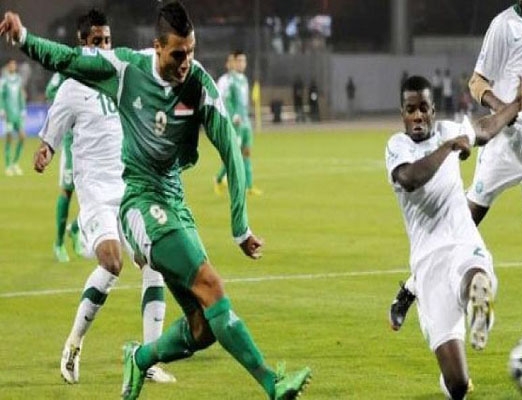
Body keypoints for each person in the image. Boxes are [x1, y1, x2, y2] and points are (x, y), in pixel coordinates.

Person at [0, 3, 312, 400]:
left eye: (191, 51)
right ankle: (272, 383)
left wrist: (240, 227)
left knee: (202, 329)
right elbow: (67, 58)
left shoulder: (197, 82)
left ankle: (141, 357)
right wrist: (24, 37)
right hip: (139, 202)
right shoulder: (127, 69)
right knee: (210, 284)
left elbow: (230, 148)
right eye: (178, 54)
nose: (186, 62)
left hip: (174, 201)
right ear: (158, 47)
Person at [390, 0, 522, 354]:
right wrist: (505, 109)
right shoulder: (503, 25)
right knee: (463, 221)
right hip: (503, 141)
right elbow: (476, 83)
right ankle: (411, 289)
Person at [33, 8, 175, 385]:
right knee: (112, 262)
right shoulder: (71, 88)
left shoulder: (123, 76)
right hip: (95, 191)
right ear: (82, 43)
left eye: (108, 40)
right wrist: (45, 151)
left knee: (155, 261)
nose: (105, 47)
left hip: (130, 186)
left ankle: (149, 358)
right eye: (97, 41)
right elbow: (50, 137)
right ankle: (74, 344)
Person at [386, 75, 522, 399]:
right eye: (411, 109)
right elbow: (410, 178)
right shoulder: (398, 147)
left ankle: (477, 305)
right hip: (427, 263)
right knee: (457, 385)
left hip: (462, 240)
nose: (418, 116)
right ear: (402, 114)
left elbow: (485, 128)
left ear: (433, 110)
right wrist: (449, 147)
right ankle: (469, 322)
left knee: (473, 274)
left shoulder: (449, 130)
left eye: (423, 108)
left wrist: (517, 104)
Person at [45, 72, 84, 262]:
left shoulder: (95, 69)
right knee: (67, 190)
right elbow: (50, 91)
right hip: (72, 141)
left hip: (93, 141)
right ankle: (59, 243)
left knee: (99, 192)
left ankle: (75, 228)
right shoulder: (65, 71)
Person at [215, 49, 263, 196]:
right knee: (234, 155)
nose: (243, 63)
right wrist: (233, 115)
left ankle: (249, 186)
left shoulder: (244, 80)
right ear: (234, 62)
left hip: (245, 122)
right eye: (240, 61)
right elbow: (227, 100)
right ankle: (218, 178)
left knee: (247, 153)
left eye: (244, 61)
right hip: (235, 123)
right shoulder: (230, 80)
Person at [213, 52, 234, 195]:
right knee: (230, 151)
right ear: (227, 64)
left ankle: (223, 177)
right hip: (227, 121)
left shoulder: (240, 81)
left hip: (237, 123)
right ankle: (219, 178)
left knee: (235, 151)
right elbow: (218, 100)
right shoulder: (223, 81)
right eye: (231, 62)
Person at [0, 58, 26, 176]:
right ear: (7, 66)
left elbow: (21, 95)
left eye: (14, 64)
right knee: (9, 137)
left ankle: (15, 163)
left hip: (18, 114)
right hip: (9, 114)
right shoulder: (4, 80)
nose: (13, 66)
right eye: (11, 64)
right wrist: (2, 109)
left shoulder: (18, 79)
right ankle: (8, 166)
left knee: (22, 137)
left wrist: (23, 109)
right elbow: (1, 95)